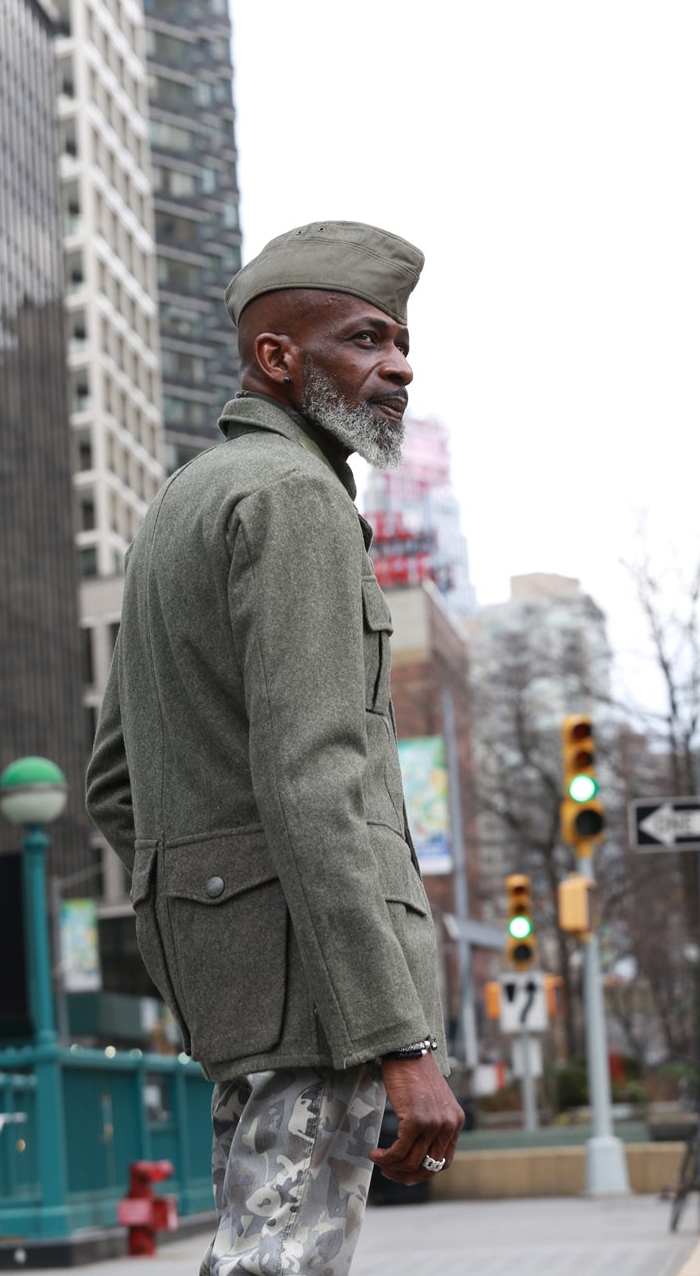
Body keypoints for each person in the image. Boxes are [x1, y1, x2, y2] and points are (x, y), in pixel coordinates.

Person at [87, 221, 464, 1275]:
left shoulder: (184, 500)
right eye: (367, 339)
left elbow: (117, 781)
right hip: (325, 993)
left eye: (400, 342)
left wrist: (221, 913)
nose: (398, 365)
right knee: (281, 1261)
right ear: (278, 358)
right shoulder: (296, 500)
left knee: (263, 1247)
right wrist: (398, 1037)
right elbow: (313, 778)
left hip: (255, 978)